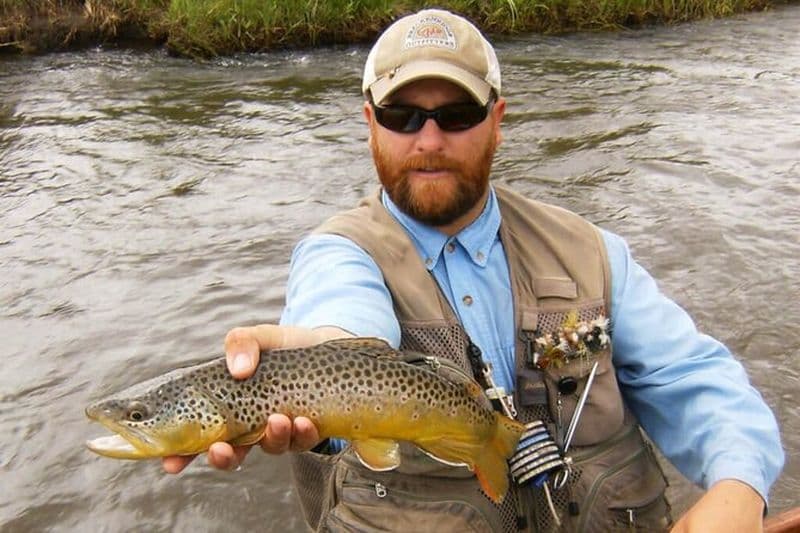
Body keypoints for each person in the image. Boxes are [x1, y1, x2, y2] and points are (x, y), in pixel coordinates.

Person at [162, 8, 783, 532]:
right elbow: (340, 323)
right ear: (370, 123)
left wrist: (737, 487)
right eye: (403, 115)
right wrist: (327, 354)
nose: (429, 139)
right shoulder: (336, 256)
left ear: (498, 119)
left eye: (456, 114)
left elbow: (698, 380)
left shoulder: (590, 253)